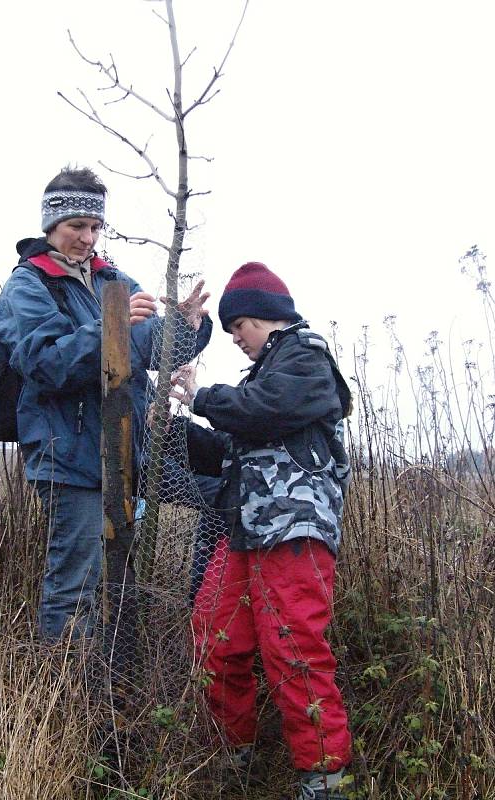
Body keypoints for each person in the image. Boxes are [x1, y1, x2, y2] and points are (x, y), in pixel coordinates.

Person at [0, 166, 211, 642]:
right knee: (76, 586)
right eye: (76, 227)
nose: (87, 238)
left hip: (126, 456)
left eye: (94, 227)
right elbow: (46, 363)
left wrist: (187, 329)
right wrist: (111, 325)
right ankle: (65, 700)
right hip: (68, 457)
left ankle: (112, 684)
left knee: (122, 583)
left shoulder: (114, 278)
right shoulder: (29, 286)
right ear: (51, 226)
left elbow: (147, 347)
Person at [168, 262, 352, 799]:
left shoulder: (306, 357)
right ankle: (233, 755)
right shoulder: (265, 376)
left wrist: (203, 397)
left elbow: (264, 410)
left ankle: (324, 779)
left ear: (263, 317)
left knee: (293, 648)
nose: (236, 341)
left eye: (238, 328)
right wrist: (174, 427)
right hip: (244, 531)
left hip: (293, 531)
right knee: (213, 634)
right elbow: (229, 450)